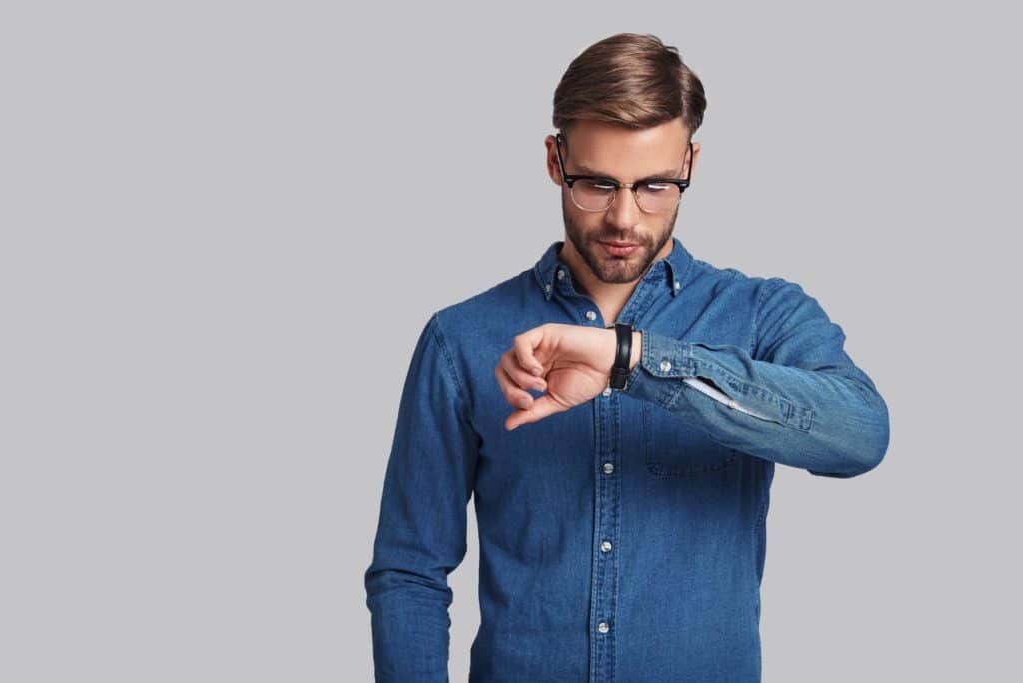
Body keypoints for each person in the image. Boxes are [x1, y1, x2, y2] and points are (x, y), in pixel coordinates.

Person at [363, 32, 890, 683]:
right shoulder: (460, 339)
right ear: (555, 160)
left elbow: (860, 434)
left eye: (655, 186)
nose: (624, 217)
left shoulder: (760, 315)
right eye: (596, 183)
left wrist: (630, 358)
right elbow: (410, 569)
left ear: (690, 163)